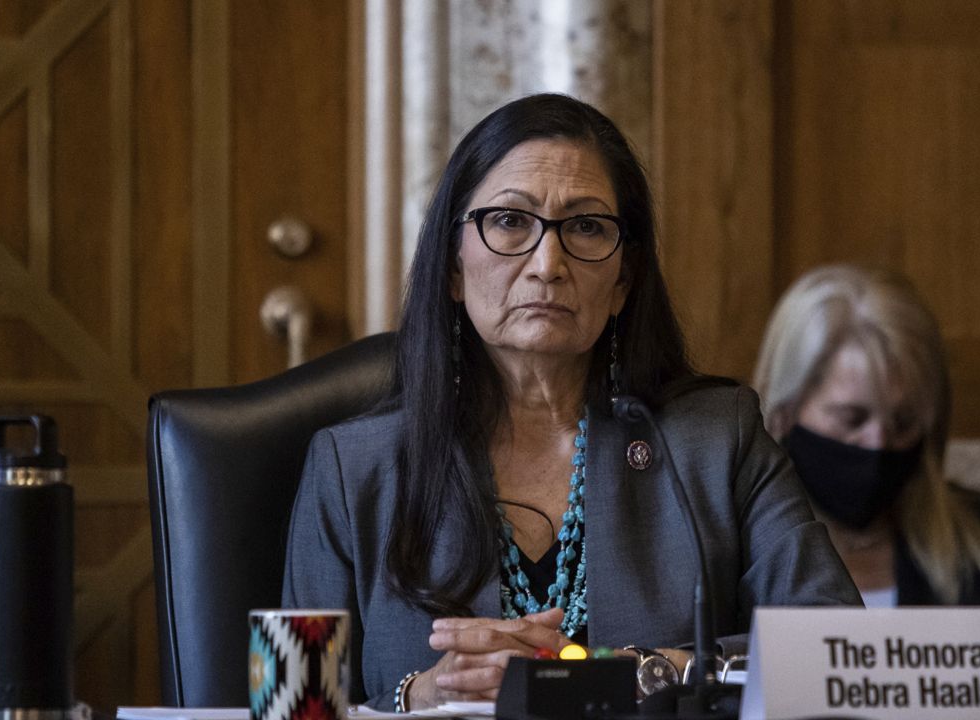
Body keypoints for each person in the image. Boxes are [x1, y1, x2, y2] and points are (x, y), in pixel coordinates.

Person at [282, 94, 859, 711]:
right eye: (509, 221)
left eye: (586, 226)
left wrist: (634, 670)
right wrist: (419, 694)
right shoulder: (350, 468)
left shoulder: (717, 441)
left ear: (623, 282)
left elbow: (837, 650)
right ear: (453, 265)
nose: (548, 264)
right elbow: (293, 702)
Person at [752, 264, 980, 609]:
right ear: (783, 413)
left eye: (903, 421)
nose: (878, 443)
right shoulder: (734, 556)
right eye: (852, 419)